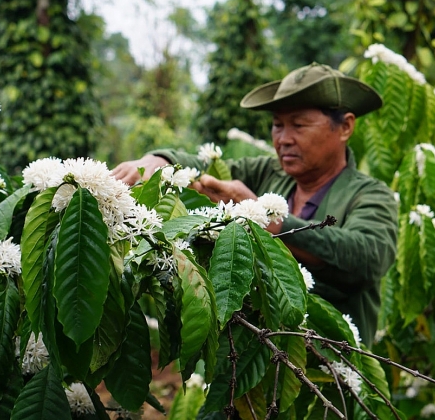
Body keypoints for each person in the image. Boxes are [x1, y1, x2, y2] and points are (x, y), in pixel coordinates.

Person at [113, 63, 398, 348]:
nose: (284, 139)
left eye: (298, 125)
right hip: (247, 358)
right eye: (277, 125)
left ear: (345, 126)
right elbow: (205, 167)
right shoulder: (268, 173)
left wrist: (269, 219)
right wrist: (160, 161)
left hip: (327, 368)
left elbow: (367, 257)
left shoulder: (370, 195)